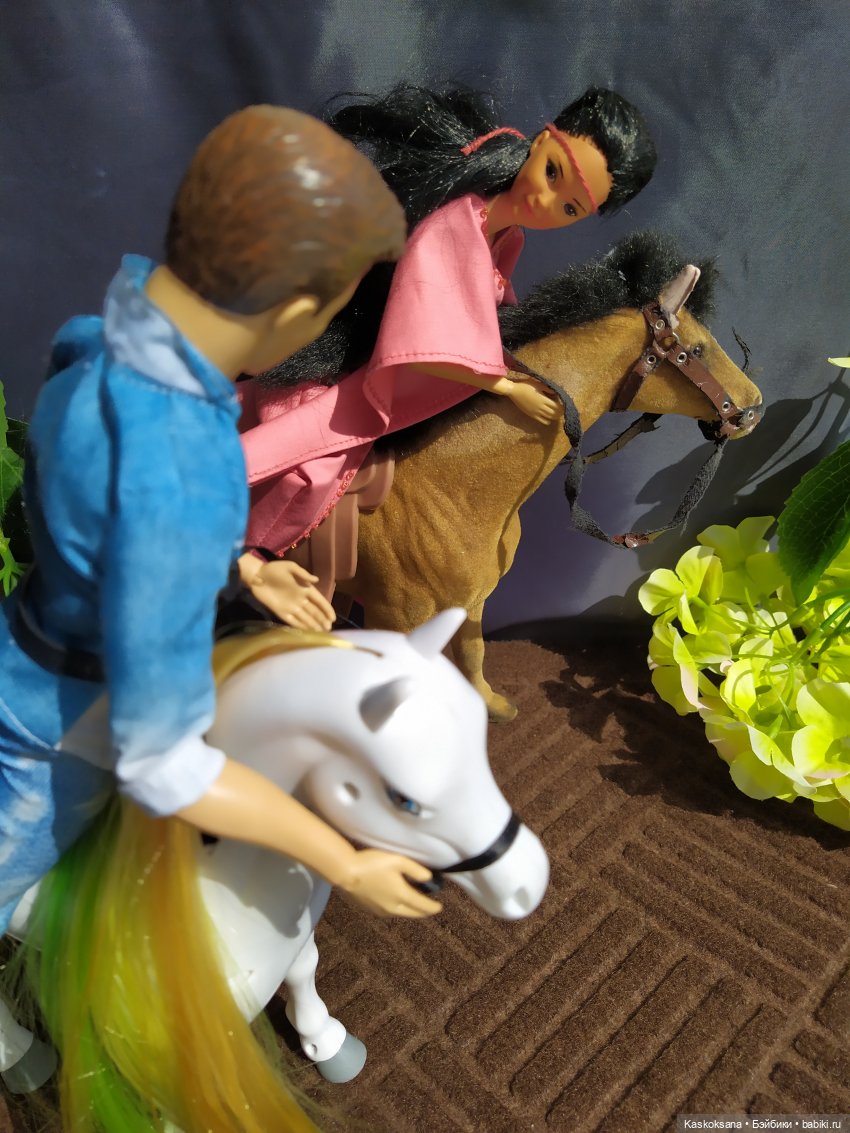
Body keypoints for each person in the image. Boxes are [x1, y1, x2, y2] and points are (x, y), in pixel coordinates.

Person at [0, 104, 442, 940]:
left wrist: (238, 564)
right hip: (55, 741)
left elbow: (109, 522)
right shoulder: (184, 474)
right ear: (298, 311)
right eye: (330, 313)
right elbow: (163, 767)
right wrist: (342, 859)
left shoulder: (95, 338)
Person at [238, 84, 657, 574]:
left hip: (389, 360)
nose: (545, 201)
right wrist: (506, 386)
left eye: (569, 209)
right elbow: (427, 334)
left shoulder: (506, 236)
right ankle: (245, 556)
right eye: (552, 173)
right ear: (542, 140)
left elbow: (488, 312)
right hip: (360, 358)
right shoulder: (456, 220)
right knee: (312, 471)